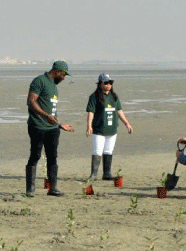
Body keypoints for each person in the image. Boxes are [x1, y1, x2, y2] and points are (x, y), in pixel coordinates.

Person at [25, 60, 75, 197]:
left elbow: (52, 110)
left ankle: (53, 188)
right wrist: (45, 116)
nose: (64, 78)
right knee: (35, 156)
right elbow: (31, 102)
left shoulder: (54, 86)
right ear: (57, 71)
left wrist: (60, 125)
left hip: (52, 128)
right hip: (37, 126)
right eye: (63, 75)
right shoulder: (39, 81)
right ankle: (30, 189)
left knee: (52, 157)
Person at [85, 73, 134, 180]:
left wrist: (127, 123)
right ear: (100, 84)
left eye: (110, 83)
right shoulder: (94, 97)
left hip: (112, 129)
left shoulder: (114, 96)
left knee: (108, 151)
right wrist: (89, 125)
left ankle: (107, 174)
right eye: (106, 83)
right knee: (97, 151)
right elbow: (91, 112)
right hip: (99, 129)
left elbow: (119, 111)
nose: (109, 85)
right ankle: (93, 174)